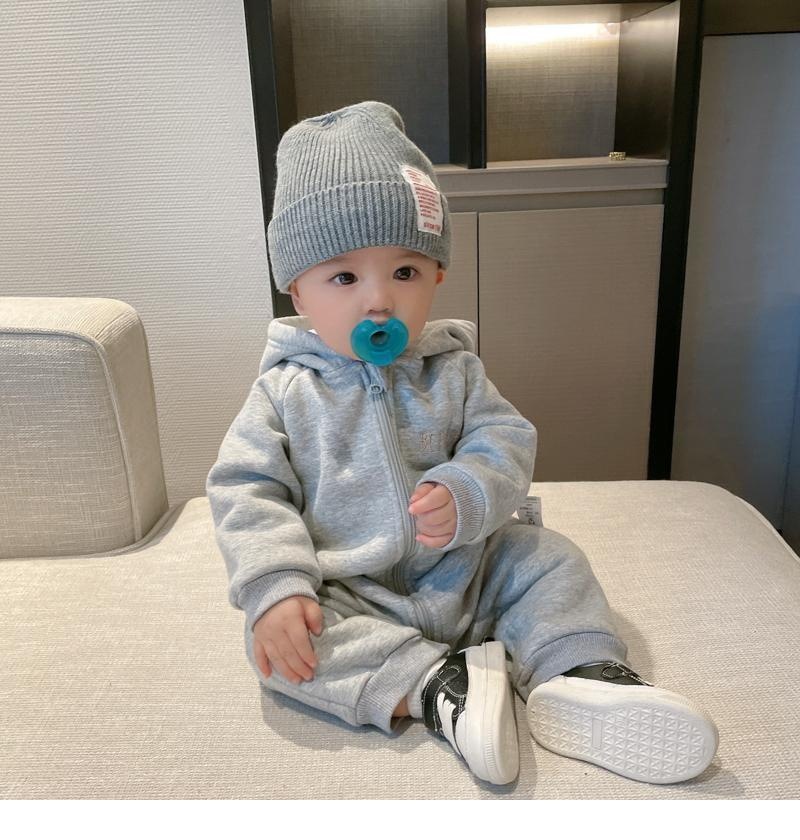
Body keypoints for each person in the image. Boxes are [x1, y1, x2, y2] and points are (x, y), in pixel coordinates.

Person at [206, 100, 718, 786]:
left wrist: (470, 489)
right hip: (354, 591)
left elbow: (505, 438)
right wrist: (275, 585)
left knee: (549, 559)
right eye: (344, 277)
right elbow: (247, 489)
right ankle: (439, 687)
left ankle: (583, 674)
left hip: (469, 574)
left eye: (405, 272)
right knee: (279, 646)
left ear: (437, 276)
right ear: (298, 290)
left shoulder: (455, 370)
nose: (379, 301)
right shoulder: (283, 394)